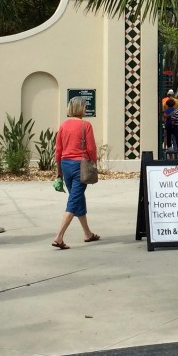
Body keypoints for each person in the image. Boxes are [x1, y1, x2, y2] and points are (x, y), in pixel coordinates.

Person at [52, 96, 100, 249]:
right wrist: (94, 164)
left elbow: (58, 150)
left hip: (65, 164)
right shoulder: (85, 126)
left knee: (77, 197)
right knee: (73, 201)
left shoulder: (63, 125)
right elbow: (91, 148)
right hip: (81, 165)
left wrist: (58, 171)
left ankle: (87, 233)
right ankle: (59, 237)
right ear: (81, 108)